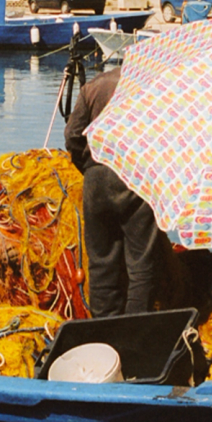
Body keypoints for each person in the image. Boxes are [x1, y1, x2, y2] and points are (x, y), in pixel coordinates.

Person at [64, 67, 170, 318]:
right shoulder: (155, 88)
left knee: (101, 262)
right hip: (136, 177)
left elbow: (72, 136)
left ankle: (104, 328)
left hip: (97, 177)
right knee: (141, 265)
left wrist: (90, 167)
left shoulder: (93, 86)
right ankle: (134, 330)